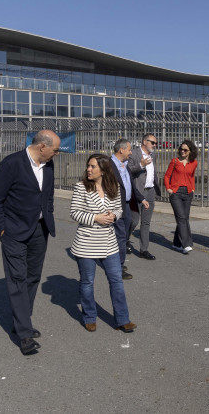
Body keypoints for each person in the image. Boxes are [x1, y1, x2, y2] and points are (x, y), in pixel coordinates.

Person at [0, 129, 60, 355]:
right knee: (17, 278)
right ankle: (25, 335)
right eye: (55, 150)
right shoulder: (12, 164)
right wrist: (1, 228)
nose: (57, 154)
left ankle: (20, 322)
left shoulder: (48, 165)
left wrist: (48, 216)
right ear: (42, 147)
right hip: (14, 231)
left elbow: (47, 196)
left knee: (32, 277)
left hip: (39, 229)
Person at [69, 154, 136, 333]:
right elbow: (74, 212)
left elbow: (119, 209)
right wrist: (96, 217)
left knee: (116, 281)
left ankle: (123, 319)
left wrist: (114, 215)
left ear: (103, 170)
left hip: (109, 242)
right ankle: (89, 317)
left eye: (93, 167)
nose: (88, 169)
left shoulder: (112, 186)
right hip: (86, 243)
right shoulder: (81, 187)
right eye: (88, 166)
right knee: (87, 282)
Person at [109, 139, 140, 280]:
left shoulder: (125, 164)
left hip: (126, 204)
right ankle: (118, 268)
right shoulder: (108, 165)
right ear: (121, 150)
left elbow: (130, 185)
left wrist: (141, 198)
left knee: (124, 234)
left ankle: (116, 262)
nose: (131, 152)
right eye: (129, 149)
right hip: (115, 205)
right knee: (120, 236)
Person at [128, 133, 161, 260]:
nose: (154, 145)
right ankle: (124, 240)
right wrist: (141, 165)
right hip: (137, 191)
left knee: (146, 222)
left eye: (155, 143)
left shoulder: (153, 154)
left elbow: (153, 171)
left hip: (150, 190)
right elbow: (128, 170)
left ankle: (144, 250)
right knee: (134, 220)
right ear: (144, 142)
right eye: (152, 142)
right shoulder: (134, 154)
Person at [164, 140, 198, 254]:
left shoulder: (194, 163)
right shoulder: (174, 161)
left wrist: (192, 188)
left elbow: (192, 176)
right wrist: (169, 189)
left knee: (184, 218)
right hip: (176, 193)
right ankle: (186, 244)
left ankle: (176, 243)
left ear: (190, 151)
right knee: (181, 218)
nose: (182, 151)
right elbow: (167, 176)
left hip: (188, 192)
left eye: (185, 150)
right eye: (181, 149)